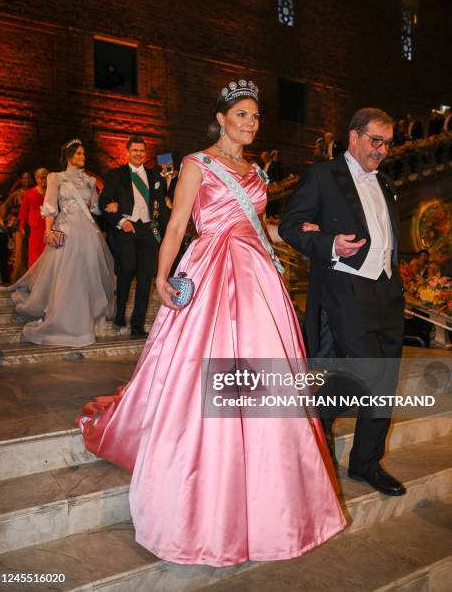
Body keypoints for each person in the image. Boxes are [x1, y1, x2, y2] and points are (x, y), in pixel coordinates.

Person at [78, 80, 346, 567]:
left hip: (257, 275)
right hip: (212, 271)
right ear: (221, 118)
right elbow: (179, 223)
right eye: (242, 114)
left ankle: (272, 491)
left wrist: (305, 234)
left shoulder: (256, 172)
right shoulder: (197, 164)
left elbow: (259, 226)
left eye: (255, 116)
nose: (250, 123)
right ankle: (200, 473)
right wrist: (160, 277)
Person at [279, 108, 406, 497]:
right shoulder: (322, 175)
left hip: (386, 291)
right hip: (346, 289)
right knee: (368, 375)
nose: (382, 150)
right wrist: (329, 245)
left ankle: (364, 461)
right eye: (375, 141)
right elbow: (289, 225)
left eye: (387, 143)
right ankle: (317, 429)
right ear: (353, 137)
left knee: (383, 379)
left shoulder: (384, 181)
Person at [7, 140, 116, 346]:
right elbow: (49, 207)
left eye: (84, 154)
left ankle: (89, 312)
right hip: (66, 228)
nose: (83, 157)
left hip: (87, 232)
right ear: (69, 156)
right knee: (68, 272)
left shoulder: (90, 181)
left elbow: (95, 208)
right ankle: (65, 314)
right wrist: (48, 230)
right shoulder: (55, 177)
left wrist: (110, 205)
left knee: (88, 271)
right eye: (79, 154)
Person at [99, 136, 169, 338]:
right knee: (126, 270)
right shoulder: (116, 174)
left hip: (148, 230)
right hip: (126, 229)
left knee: (146, 277)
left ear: (145, 153)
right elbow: (104, 201)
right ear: (128, 152)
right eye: (135, 150)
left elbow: (161, 208)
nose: (139, 154)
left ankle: (137, 325)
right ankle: (120, 314)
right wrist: (120, 220)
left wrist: (165, 233)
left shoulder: (155, 177)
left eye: (142, 151)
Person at [2, 172, 33, 281]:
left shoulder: (36, 191)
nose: (27, 180)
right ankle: (17, 278)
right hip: (20, 226)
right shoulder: (17, 194)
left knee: (31, 251)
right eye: (25, 178)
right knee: (20, 251)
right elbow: (4, 208)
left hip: (33, 225)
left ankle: (30, 277)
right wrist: (8, 221)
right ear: (21, 180)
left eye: (29, 177)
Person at [18, 167, 48, 267]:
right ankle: (34, 278)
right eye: (41, 178)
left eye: (45, 177)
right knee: (35, 251)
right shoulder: (29, 193)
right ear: (36, 179)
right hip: (35, 227)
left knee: (48, 251)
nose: (43, 180)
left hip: (49, 225)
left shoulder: (52, 192)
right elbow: (24, 210)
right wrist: (22, 225)